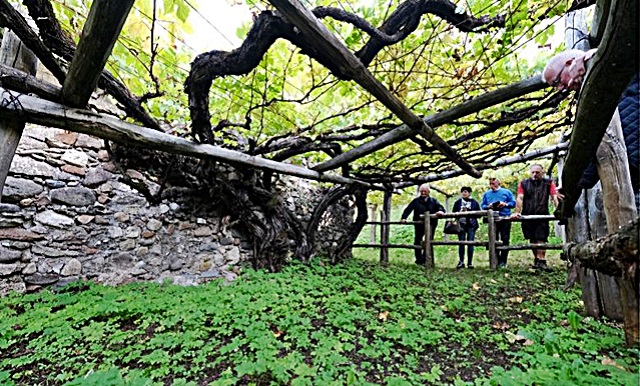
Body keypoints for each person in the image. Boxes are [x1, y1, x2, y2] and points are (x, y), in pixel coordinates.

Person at [511, 164, 559, 272]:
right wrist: (516, 212)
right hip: (528, 214)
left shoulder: (548, 183)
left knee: (541, 238)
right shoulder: (524, 183)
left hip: (542, 214)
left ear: (542, 172)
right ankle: (537, 260)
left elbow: (554, 197)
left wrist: (559, 211)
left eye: (537, 172)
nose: (535, 174)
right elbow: (520, 197)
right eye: (533, 172)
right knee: (532, 238)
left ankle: (542, 260)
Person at [401, 184, 445, 265]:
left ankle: (426, 259)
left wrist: (440, 211)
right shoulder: (416, 201)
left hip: (431, 224)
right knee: (417, 240)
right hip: (419, 224)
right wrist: (404, 218)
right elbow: (408, 209)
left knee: (429, 240)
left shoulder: (433, 201)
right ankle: (418, 259)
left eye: (425, 191)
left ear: (429, 192)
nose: (423, 193)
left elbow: (440, 207)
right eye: (422, 191)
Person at [481, 178, 516, 268]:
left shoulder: (506, 192)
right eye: (490, 183)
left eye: (493, 183)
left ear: (498, 182)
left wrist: (505, 204)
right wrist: (489, 206)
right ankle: (495, 259)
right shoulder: (487, 194)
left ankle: (503, 261)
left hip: (504, 218)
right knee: (494, 239)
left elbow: (513, 203)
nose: (492, 185)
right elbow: (483, 205)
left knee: (505, 238)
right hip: (492, 219)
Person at [452, 186, 480, 269]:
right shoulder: (458, 202)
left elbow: (479, 214)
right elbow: (454, 212)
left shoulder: (474, 202)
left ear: (469, 193)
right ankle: (461, 262)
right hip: (461, 224)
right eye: (463, 191)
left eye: (466, 191)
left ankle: (470, 263)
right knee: (461, 243)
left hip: (471, 225)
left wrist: (469, 211)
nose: (464, 193)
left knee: (470, 243)